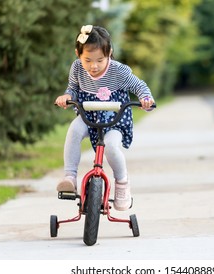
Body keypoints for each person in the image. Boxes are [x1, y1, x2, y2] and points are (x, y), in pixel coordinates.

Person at [54, 25, 155, 211]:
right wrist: (67, 97)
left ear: (110, 53)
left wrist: (145, 99)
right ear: (78, 54)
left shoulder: (119, 71)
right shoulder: (77, 68)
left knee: (110, 146)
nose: (94, 66)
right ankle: (69, 177)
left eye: (100, 60)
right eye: (88, 60)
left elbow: (140, 86)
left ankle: (122, 183)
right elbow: (73, 89)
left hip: (115, 118)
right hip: (88, 115)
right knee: (74, 131)